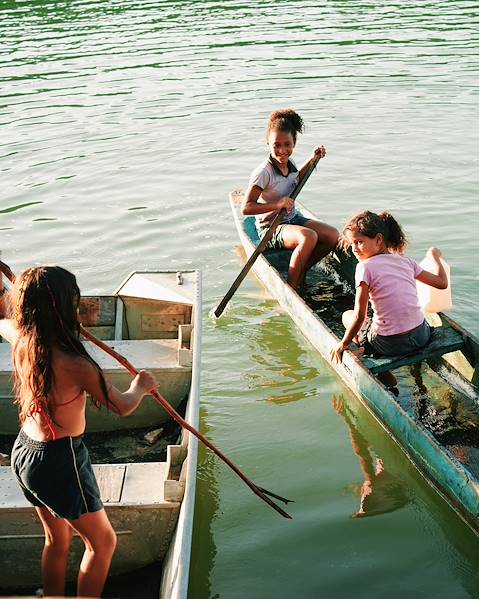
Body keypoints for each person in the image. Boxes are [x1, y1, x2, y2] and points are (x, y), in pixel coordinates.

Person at [0, 265, 157, 598]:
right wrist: (140, 386)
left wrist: (6, 290)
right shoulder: (77, 364)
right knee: (102, 544)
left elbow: (4, 322)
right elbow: (122, 406)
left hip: (26, 452)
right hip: (60, 460)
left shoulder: (22, 339)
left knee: (57, 539)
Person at [330, 210, 448, 387]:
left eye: (359, 242)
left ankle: (384, 375)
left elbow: (359, 316)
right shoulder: (406, 261)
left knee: (347, 316)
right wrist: (436, 259)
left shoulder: (364, 267)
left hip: (389, 344)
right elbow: (441, 283)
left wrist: (342, 344)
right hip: (421, 336)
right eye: (352, 243)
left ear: (378, 239)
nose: (354, 249)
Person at [241, 108, 339, 290]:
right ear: (267, 143)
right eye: (276, 145)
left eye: (287, 145)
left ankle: (300, 269)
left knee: (332, 235)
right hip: (270, 228)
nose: (282, 151)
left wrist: (312, 160)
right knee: (308, 237)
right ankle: (293, 287)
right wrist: (277, 204)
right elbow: (246, 208)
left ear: (294, 143)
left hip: (292, 219)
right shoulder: (263, 172)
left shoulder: (290, 163)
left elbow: (296, 179)